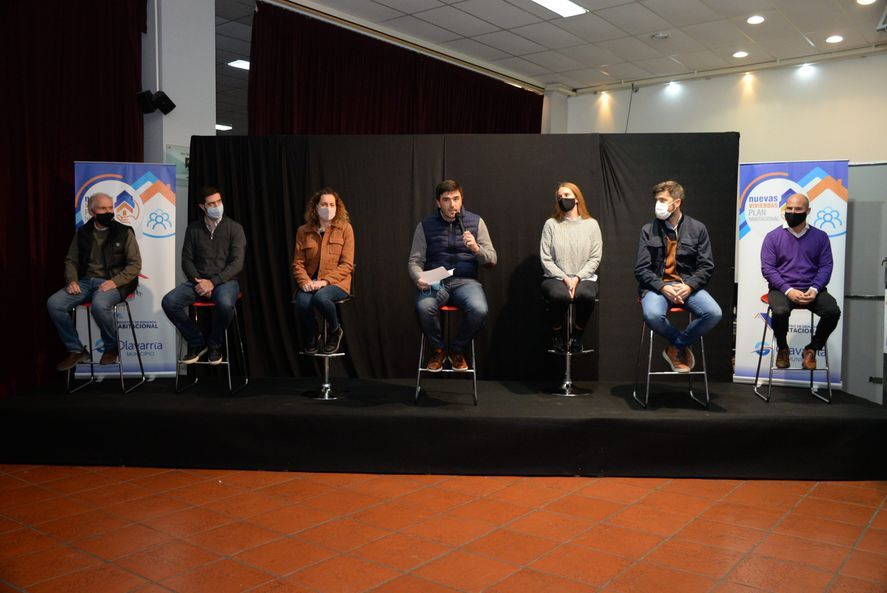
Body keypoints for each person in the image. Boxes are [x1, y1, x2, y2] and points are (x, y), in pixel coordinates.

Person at [408, 179, 497, 372]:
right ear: (438, 202)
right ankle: (438, 349)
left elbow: (492, 260)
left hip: (466, 281)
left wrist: (476, 248)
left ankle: (457, 350)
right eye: (446, 200)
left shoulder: (476, 222)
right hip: (435, 280)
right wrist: (418, 278)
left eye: (456, 199)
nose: (452, 204)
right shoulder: (425, 225)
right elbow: (415, 261)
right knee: (423, 307)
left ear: (462, 199)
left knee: (479, 309)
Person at [47, 193, 142, 370]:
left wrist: (114, 282)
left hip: (112, 282)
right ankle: (76, 350)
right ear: (92, 211)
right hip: (85, 282)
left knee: (99, 305)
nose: (108, 212)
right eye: (102, 209)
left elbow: (135, 265)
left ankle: (111, 347)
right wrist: (72, 280)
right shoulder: (82, 233)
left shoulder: (124, 232)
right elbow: (71, 260)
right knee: (54, 303)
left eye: (110, 208)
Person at [634, 180, 721, 372]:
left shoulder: (698, 229)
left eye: (663, 200)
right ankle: (680, 343)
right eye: (656, 200)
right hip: (657, 287)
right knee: (652, 314)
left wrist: (689, 286)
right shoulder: (648, 230)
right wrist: (663, 287)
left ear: (677, 202)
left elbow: (706, 267)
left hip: (686, 286)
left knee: (714, 313)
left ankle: (675, 347)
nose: (658, 204)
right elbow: (641, 269)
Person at [161, 187, 246, 365]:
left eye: (219, 202)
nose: (217, 206)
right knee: (169, 302)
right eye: (212, 203)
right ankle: (196, 341)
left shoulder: (235, 228)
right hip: (197, 281)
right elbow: (186, 261)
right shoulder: (193, 229)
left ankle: (215, 344)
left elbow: (237, 263)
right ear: (202, 206)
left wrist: (213, 283)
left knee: (225, 303)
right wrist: (199, 282)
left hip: (226, 282)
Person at [761, 193, 841, 370]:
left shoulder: (820, 237)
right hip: (781, 289)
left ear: (808, 211)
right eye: (789, 208)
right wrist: (788, 290)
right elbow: (768, 269)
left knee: (833, 312)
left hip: (812, 288)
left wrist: (815, 288)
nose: (792, 212)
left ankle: (812, 349)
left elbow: (826, 266)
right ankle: (783, 348)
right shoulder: (772, 237)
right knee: (780, 311)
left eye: (798, 209)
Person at [540, 182, 602, 353]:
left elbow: (595, 257)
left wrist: (577, 278)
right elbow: (546, 258)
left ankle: (578, 334)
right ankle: (557, 333)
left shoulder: (591, 225)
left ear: (576, 199)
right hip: (555, 278)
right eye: (559, 197)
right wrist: (566, 279)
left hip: (584, 278)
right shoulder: (551, 224)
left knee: (586, 295)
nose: (563, 199)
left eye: (566, 195)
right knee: (560, 296)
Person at [292, 188, 355, 354]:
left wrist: (325, 281)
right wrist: (304, 282)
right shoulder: (303, 231)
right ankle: (313, 332)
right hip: (310, 281)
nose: (329, 208)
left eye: (332, 204)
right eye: (324, 204)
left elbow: (347, 264)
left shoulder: (345, 229)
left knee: (321, 298)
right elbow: (298, 263)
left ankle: (335, 331)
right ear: (316, 207)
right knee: (302, 303)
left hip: (336, 283)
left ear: (337, 207)